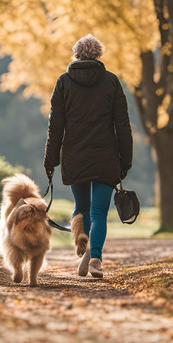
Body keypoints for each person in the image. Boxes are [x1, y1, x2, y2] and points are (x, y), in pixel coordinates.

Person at [44, 34, 133, 278]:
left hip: (75, 156)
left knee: (81, 207)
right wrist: (125, 160)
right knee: (99, 213)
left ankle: (81, 238)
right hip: (105, 157)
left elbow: (55, 126)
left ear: (76, 54)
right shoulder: (111, 82)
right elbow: (122, 125)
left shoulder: (63, 83)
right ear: (99, 54)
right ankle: (95, 258)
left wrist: (50, 160)